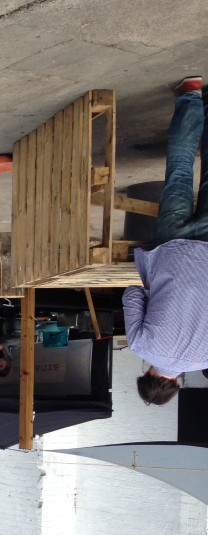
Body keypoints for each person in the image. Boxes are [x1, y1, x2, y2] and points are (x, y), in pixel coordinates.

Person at [123, 76, 208, 405]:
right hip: (171, 249)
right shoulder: (141, 346)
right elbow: (132, 294)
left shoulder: (205, 356)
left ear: (176, 384)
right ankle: (191, 95)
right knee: (180, 172)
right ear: (147, 373)